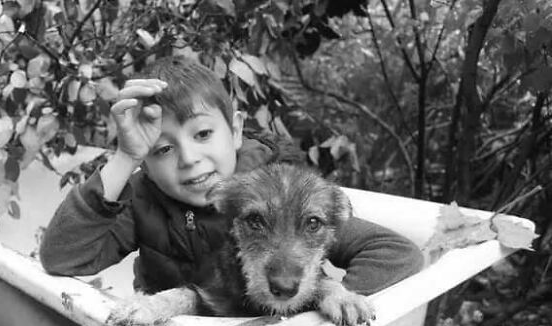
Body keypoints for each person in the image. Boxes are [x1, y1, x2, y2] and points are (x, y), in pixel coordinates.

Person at [39, 56, 423, 298]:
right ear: (147, 164)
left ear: (236, 131)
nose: (189, 159)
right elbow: (62, 258)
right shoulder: (143, 199)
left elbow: (396, 254)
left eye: (203, 134)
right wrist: (124, 158)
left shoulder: (283, 194)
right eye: (162, 149)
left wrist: (328, 298)